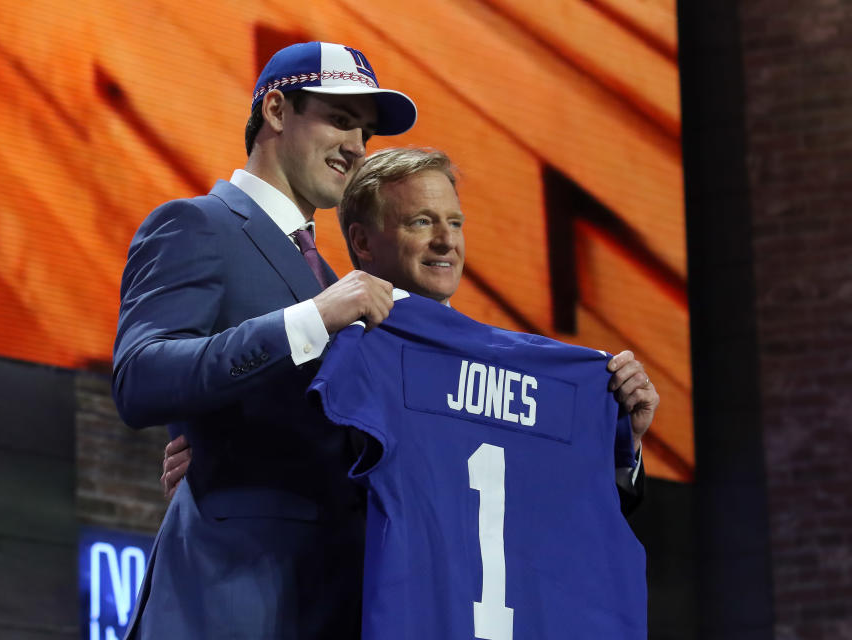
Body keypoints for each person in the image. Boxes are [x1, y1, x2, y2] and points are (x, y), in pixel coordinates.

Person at [112, 42, 418, 639]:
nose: (357, 147)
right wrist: (309, 320)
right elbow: (141, 377)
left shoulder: (332, 282)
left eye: (366, 133)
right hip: (230, 602)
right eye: (340, 119)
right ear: (276, 110)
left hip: (324, 604)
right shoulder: (195, 223)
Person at [161, 148, 659, 514]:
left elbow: (561, 505)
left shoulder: (505, 366)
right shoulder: (332, 351)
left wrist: (623, 441)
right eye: (422, 222)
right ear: (362, 241)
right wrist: (223, 468)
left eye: (455, 223)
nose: (446, 241)